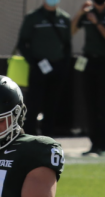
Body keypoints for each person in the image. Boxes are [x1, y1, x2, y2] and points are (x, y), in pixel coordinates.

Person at [71, 0, 105, 157]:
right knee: (90, 104)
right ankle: (94, 144)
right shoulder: (88, 11)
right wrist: (80, 13)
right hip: (89, 61)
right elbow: (71, 31)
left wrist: (98, 22)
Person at [18, 0, 73, 137]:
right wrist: (34, 63)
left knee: (52, 105)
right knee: (34, 104)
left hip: (57, 67)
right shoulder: (33, 17)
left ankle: (47, 137)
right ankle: (29, 136)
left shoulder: (64, 18)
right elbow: (22, 43)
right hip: (38, 67)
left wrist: (64, 65)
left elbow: (67, 45)